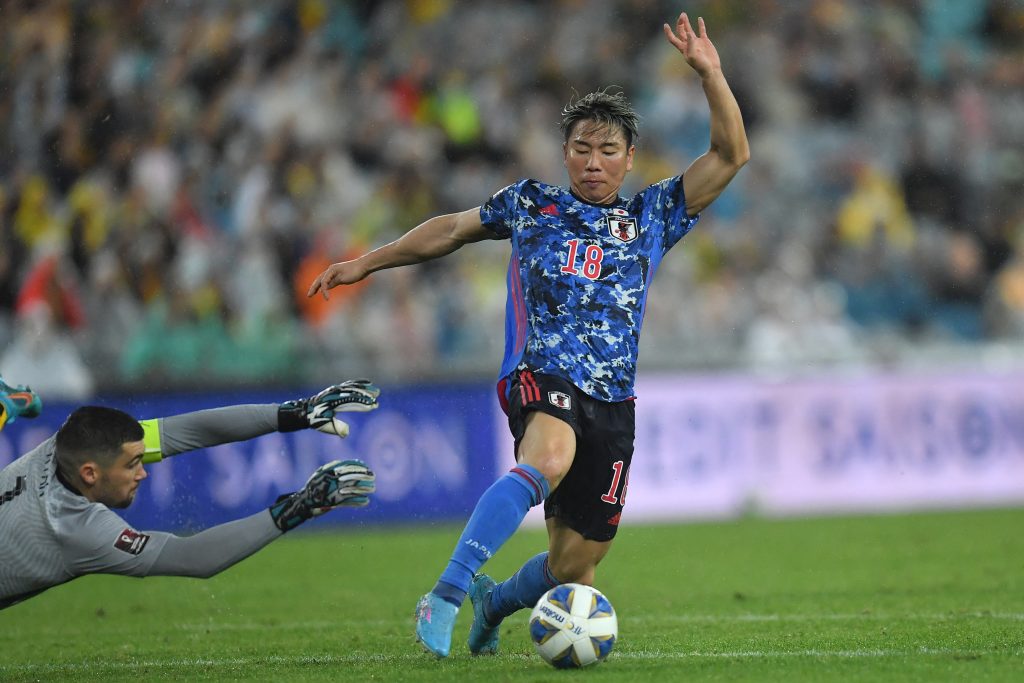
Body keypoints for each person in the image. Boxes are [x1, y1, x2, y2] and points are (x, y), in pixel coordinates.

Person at [308, 11, 749, 658]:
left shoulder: (651, 216)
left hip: (613, 399)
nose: (593, 162)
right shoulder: (532, 203)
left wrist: (710, 74)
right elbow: (451, 230)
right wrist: (369, 260)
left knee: (576, 564)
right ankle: (448, 593)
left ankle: (494, 600)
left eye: (607, 150)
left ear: (629, 159)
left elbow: (731, 154)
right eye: (581, 147)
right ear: (565, 152)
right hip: (539, 372)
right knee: (546, 458)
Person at [0, 379, 380, 610]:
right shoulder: (75, 529)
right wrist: (296, 510)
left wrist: (298, 412)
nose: (143, 472)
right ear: (89, 474)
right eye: (132, 464)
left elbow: (190, 431)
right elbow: (192, 557)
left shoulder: (70, 444)